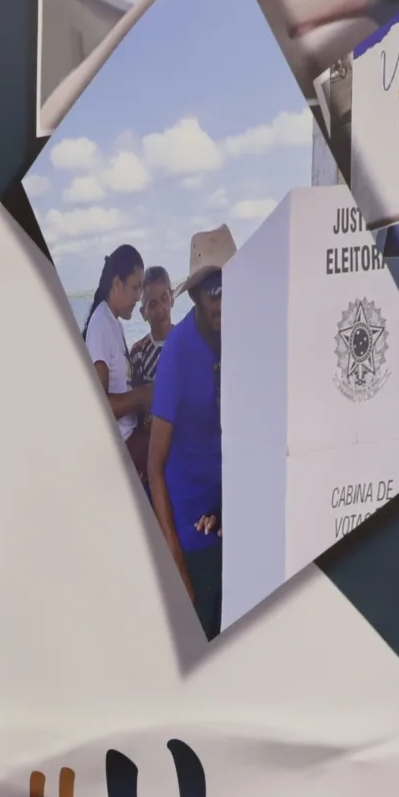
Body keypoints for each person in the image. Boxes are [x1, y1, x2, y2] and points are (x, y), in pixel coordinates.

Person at [147, 226, 232, 641]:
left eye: (229, 285)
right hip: (191, 539)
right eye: (212, 289)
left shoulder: (245, 337)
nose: (222, 298)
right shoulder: (177, 353)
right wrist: (176, 567)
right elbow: (154, 466)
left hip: (233, 526)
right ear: (197, 295)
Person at [80, 245, 151, 478]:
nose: (139, 296)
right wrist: (145, 394)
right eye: (135, 286)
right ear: (117, 282)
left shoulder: (115, 324)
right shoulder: (101, 324)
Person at [128, 266, 175, 399]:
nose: (160, 307)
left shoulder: (188, 342)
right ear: (143, 313)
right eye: (153, 304)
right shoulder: (138, 353)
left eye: (164, 298)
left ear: (172, 299)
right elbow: (136, 400)